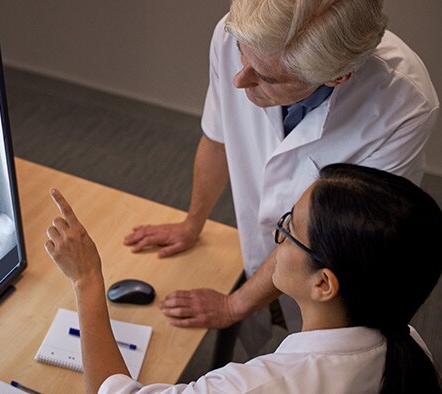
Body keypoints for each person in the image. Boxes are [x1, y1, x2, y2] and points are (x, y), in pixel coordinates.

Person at [123, 0, 439, 354]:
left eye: (268, 78)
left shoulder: (403, 105)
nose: (238, 79)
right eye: (241, 54)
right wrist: (191, 223)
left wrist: (233, 305)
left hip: (336, 272)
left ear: (337, 77)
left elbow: (335, 236)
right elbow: (217, 138)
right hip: (279, 249)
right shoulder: (239, 35)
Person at [45, 163, 442, 393]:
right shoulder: (412, 348)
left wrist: (87, 279)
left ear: (323, 283)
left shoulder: (261, 385)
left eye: (289, 230)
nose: (275, 235)